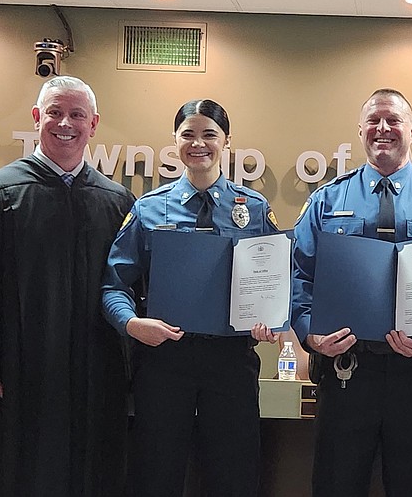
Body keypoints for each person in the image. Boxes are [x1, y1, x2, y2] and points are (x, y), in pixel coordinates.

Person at [0, 76, 135, 496]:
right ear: (37, 118)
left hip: (93, 389)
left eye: (76, 114)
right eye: (54, 112)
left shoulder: (118, 203)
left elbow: (129, 292)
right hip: (12, 389)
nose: (64, 123)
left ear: (94, 124)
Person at [291, 88, 412, 497]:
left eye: (393, 120)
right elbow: (297, 275)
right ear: (360, 131)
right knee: (335, 487)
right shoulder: (327, 199)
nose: (383, 128)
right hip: (347, 373)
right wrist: (310, 334)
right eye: (374, 120)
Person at [102, 99, 280, 497]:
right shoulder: (148, 209)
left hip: (230, 361)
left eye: (209, 135)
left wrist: (271, 319)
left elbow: (273, 282)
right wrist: (132, 324)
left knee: (235, 475)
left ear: (227, 141)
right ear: (175, 142)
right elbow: (114, 285)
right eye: (188, 135)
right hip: (165, 359)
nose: (198, 143)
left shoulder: (253, 210)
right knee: (155, 473)